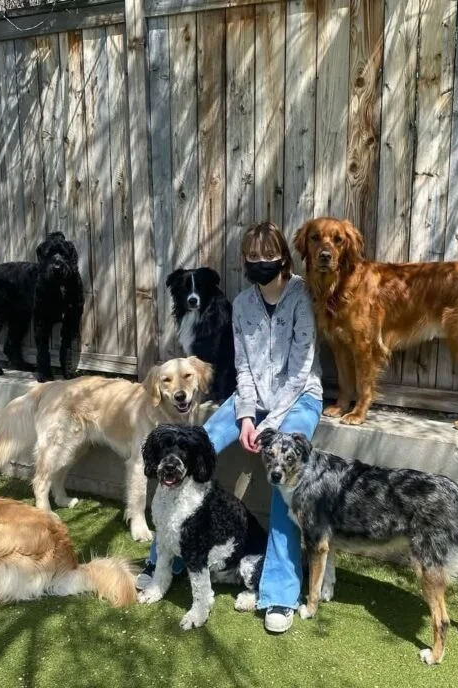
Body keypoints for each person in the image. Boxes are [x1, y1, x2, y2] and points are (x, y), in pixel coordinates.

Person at [137, 220, 323, 633]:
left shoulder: (301, 298)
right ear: (244, 262)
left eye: (267, 257)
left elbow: (299, 370)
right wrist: (243, 416)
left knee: (283, 476)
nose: (260, 264)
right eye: (252, 258)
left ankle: (278, 591)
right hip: (250, 399)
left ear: (283, 258)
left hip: (299, 399)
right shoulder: (241, 305)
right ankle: (164, 556)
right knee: (196, 441)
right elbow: (243, 368)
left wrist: (269, 425)